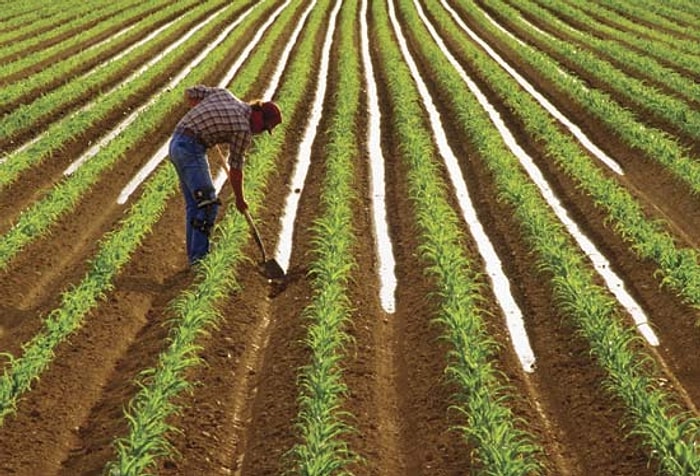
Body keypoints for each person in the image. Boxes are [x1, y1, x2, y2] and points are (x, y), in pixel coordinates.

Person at [168, 85, 282, 265]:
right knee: (208, 205)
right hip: (190, 148)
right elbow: (236, 169)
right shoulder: (243, 129)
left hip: (177, 143)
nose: (260, 132)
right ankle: (199, 260)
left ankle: (194, 260)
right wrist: (240, 199)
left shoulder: (225, 94)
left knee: (195, 205)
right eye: (263, 127)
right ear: (258, 114)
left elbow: (190, 93)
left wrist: (204, 117)